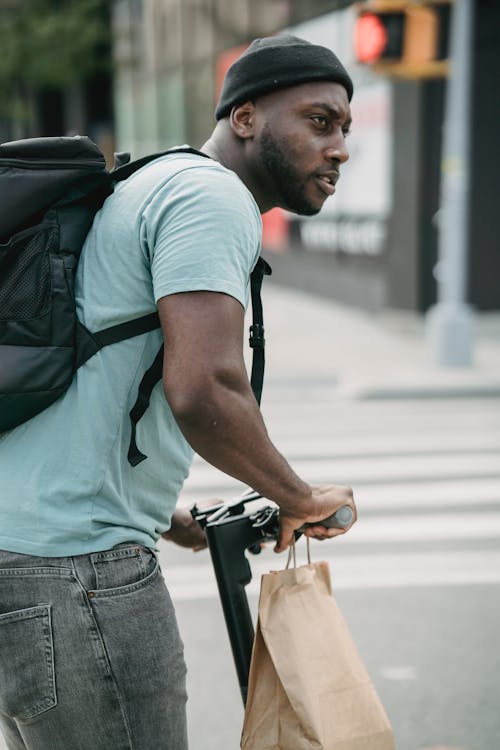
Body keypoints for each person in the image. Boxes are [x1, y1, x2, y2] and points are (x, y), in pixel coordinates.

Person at [0, 35, 357, 750]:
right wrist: (300, 496)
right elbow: (204, 388)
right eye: (320, 121)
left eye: (345, 128)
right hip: (80, 577)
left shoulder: (152, 182)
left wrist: (170, 519)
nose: (341, 147)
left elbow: (95, 377)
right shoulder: (210, 196)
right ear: (247, 117)